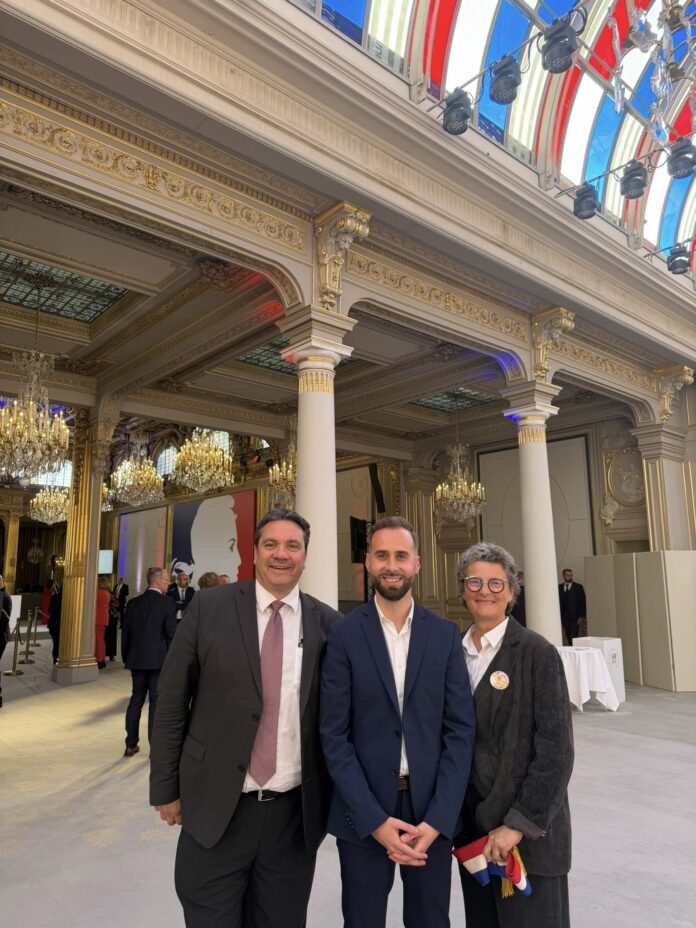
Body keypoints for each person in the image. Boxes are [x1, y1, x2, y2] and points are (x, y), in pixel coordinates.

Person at [150, 508, 340, 928]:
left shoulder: (328, 624)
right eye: (271, 544)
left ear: (306, 556)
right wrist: (165, 787)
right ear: (254, 552)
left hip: (292, 817)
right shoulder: (209, 609)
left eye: (293, 546)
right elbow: (170, 702)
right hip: (217, 806)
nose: (281, 554)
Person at [320, 516, 475, 928]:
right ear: (367, 562)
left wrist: (439, 819)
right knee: (362, 919)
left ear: (417, 564)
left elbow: (459, 732)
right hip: (364, 810)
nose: (392, 565)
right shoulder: (343, 634)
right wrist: (373, 820)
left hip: (430, 811)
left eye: (401, 556)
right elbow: (334, 735)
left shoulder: (444, 636)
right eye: (383, 555)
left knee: (430, 920)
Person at [455, 542, 574, 928]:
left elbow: (556, 752)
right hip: (474, 834)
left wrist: (518, 825)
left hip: (527, 839)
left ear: (510, 591)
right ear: (462, 589)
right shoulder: (451, 655)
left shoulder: (537, 654)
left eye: (495, 582)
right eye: (474, 581)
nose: (484, 590)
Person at [121, 567, 177, 758]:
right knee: (156, 703)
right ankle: (155, 747)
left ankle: (130, 744)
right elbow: (171, 634)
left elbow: (125, 633)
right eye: (167, 579)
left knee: (135, 700)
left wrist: (126, 657)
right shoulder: (167, 603)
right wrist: (173, 660)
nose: (169, 582)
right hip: (158, 661)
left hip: (136, 660)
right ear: (158, 581)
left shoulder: (133, 603)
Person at [558, 568, 586, 644]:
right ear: (563, 576)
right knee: (567, 634)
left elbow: (582, 602)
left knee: (573, 635)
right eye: (567, 575)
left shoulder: (578, 587)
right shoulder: (559, 587)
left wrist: (581, 616)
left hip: (575, 617)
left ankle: (573, 647)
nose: (570, 577)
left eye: (571, 575)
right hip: (564, 616)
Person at [94, 575, 111, 669]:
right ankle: (102, 658)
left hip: (98, 618)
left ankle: (99, 659)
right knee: (101, 639)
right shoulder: (107, 593)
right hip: (104, 618)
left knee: (98, 640)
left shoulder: (99, 592)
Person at [47, 582, 62, 665]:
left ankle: (55, 661)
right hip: (59, 624)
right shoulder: (62, 597)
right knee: (58, 645)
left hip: (53, 624)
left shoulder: (54, 597)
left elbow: (50, 610)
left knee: (55, 644)